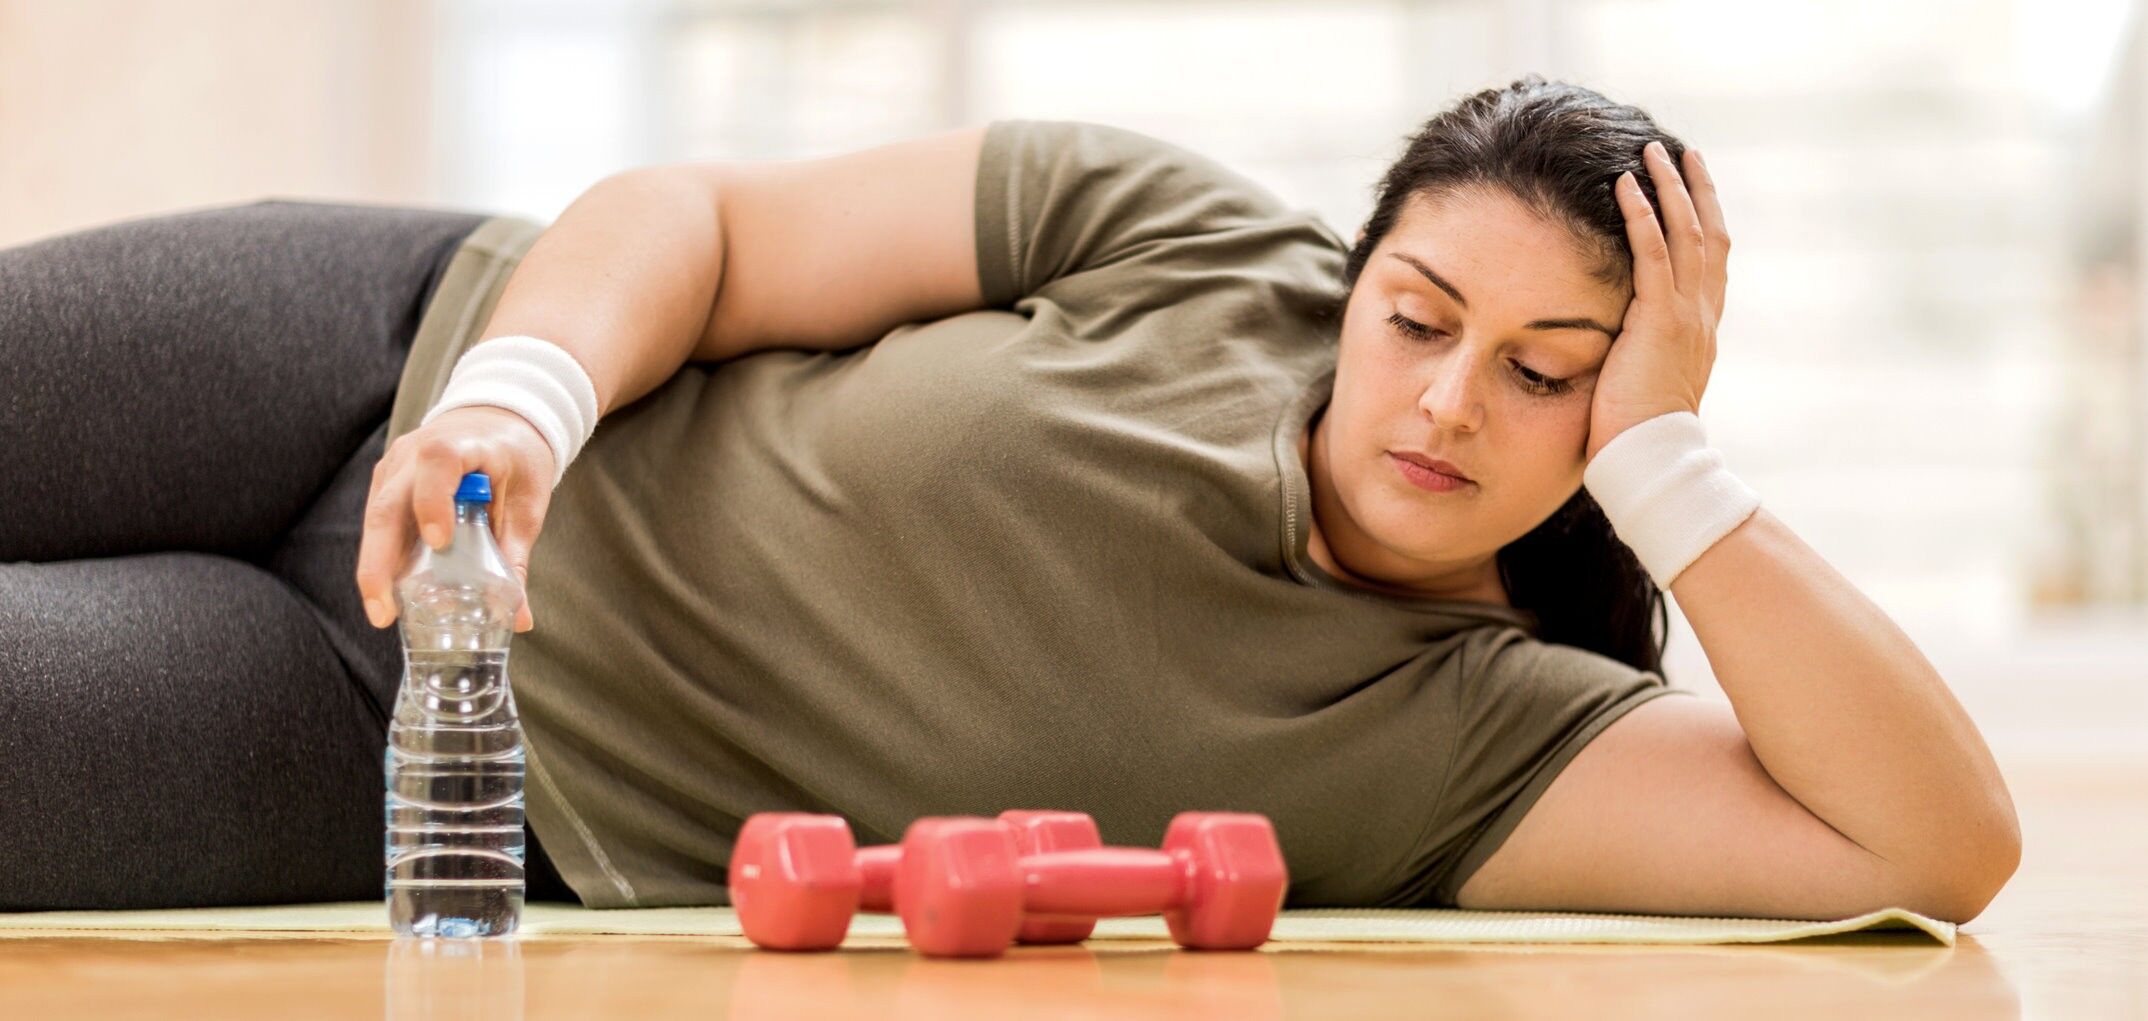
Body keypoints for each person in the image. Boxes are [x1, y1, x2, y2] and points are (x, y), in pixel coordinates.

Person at [1, 75, 2018, 922]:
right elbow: (698, 220)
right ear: (1353, 275)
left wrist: (1672, 463)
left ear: (1617, 421)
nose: (1446, 397)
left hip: (430, 746)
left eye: (1551, 375)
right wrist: (527, 395)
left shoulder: (1480, 738)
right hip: (401, 341)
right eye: (1417, 315)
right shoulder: (1187, 247)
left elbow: (1937, 839)